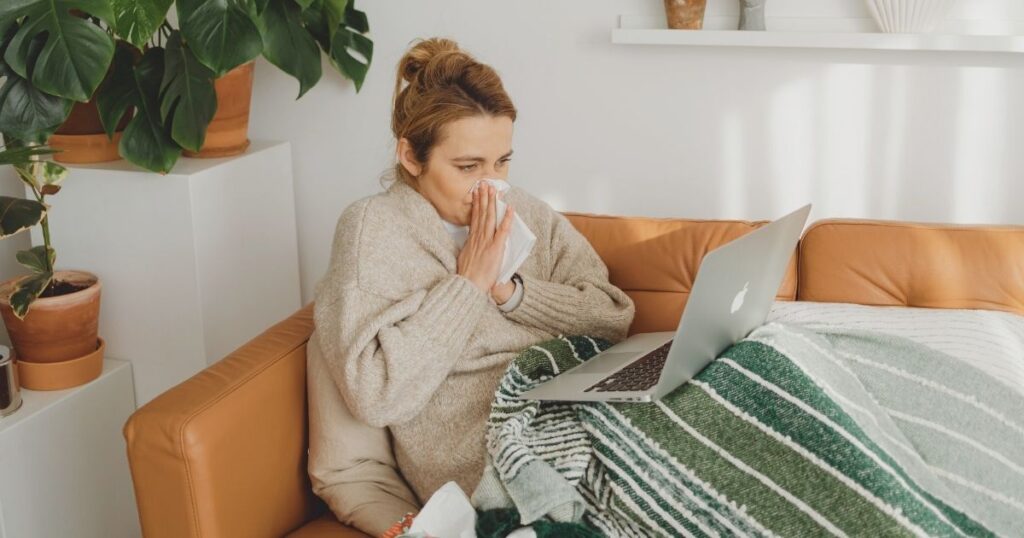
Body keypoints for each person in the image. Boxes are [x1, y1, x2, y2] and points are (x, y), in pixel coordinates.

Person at [307, 37, 635, 534]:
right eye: (468, 167)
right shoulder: (372, 232)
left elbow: (612, 315)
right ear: (412, 157)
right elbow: (376, 395)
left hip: (576, 408)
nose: (492, 186)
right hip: (489, 455)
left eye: (502, 162)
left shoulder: (524, 212)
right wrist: (469, 283)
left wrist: (512, 292)